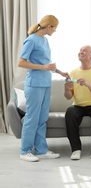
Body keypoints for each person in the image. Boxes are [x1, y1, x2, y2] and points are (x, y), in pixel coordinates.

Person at [18, 14, 69, 162]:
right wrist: (43, 67)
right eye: (55, 28)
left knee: (41, 119)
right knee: (32, 118)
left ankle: (41, 150)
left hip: (46, 83)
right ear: (49, 26)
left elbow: (47, 64)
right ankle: (25, 151)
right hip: (34, 85)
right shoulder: (31, 40)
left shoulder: (45, 40)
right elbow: (21, 62)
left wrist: (60, 72)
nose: (55, 31)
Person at [63, 45, 91, 160]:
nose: (80, 52)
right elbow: (68, 97)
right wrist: (67, 88)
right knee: (70, 112)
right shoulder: (73, 72)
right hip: (78, 106)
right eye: (80, 50)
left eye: (84, 51)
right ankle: (76, 149)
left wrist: (88, 84)